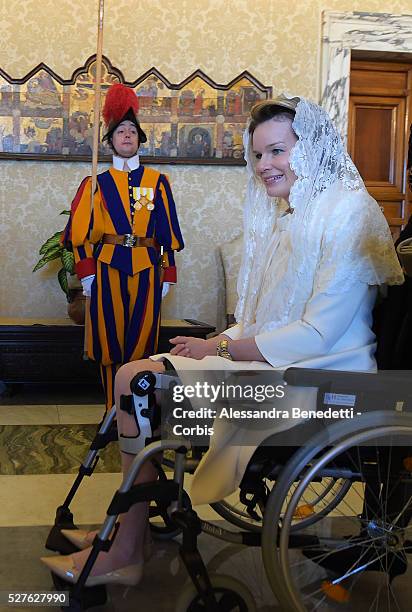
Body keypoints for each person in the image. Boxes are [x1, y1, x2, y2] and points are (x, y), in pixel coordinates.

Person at [41, 95, 404, 585]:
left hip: (319, 381)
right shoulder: (291, 214)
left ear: (312, 147)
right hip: (283, 366)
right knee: (137, 378)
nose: (264, 166)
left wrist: (221, 349)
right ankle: (127, 535)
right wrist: (217, 341)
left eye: (277, 151)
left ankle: (126, 545)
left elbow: (317, 333)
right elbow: (259, 317)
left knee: (135, 382)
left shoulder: (347, 212)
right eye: (257, 155)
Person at [61, 83, 184, 411]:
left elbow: (165, 232)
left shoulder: (158, 181)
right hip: (106, 269)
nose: (127, 135)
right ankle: (112, 410)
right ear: (110, 140)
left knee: (142, 342)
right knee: (108, 342)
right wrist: (87, 275)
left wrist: (167, 274)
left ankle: (139, 411)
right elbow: (81, 236)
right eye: (120, 131)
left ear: (140, 138)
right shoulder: (94, 183)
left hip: (147, 269)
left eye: (132, 130)